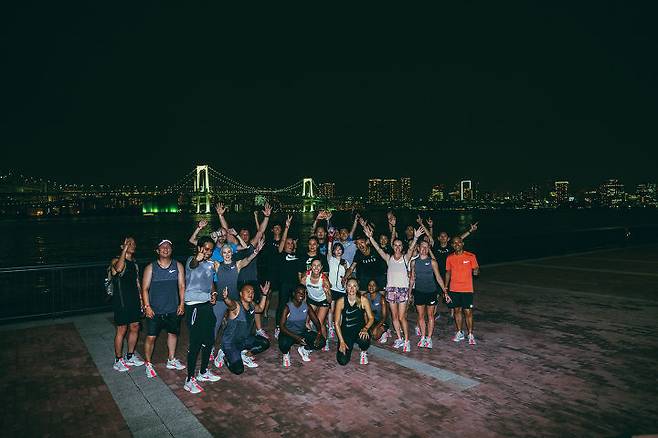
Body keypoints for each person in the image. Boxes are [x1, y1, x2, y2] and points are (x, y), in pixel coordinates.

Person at [364, 224, 422, 352]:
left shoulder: (405, 258)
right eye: (395, 245)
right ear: (393, 246)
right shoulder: (388, 258)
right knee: (394, 317)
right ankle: (400, 338)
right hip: (391, 290)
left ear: (402, 247)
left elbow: (411, 248)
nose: (397, 247)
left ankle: (407, 341)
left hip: (402, 290)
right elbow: (378, 249)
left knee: (402, 317)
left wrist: (416, 237)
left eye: (400, 245)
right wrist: (370, 237)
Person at [211, 239, 264, 368]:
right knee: (215, 325)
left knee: (238, 325)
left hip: (234, 301)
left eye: (229, 252)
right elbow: (205, 256)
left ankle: (236, 348)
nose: (227, 254)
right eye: (224, 252)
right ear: (221, 254)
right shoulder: (217, 265)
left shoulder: (237, 265)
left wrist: (256, 252)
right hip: (220, 301)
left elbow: (248, 259)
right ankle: (211, 348)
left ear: (232, 253)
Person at [141, 239, 186, 378]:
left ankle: (171, 359)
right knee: (151, 337)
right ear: (157, 251)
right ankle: (148, 363)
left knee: (173, 334)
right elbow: (144, 288)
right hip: (155, 310)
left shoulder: (178, 265)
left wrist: (182, 303)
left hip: (173, 308)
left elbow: (182, 286)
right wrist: (147, 306)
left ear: (171, 250)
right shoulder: (150, 267)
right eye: (162, 247)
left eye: (168, 247)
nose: (165, 249)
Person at [183, 236, 220, 394]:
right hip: (194, 306)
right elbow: (193, 265)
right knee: (195, 343)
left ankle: (203, 372)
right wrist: (197, 258)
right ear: (199, 248)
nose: (208, 252)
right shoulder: (191, 260)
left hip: (206, 305)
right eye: (205, 248)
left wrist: (214, 293)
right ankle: (189, 379)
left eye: (211, 249)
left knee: (209, 340)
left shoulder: (210, 264)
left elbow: (211, 282)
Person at [110, 237, 145, 372]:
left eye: (134, 243)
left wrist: (141, 300)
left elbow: (137, 282)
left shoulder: (134, 263)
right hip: (121, 301)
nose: (132, 245)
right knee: (122, 329)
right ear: (122, 246)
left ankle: (130, 356)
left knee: (135, 327)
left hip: (134, 300)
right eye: (129, 243)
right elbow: (118, 269)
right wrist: (124, 250)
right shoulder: (115, 260)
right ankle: (118, 360)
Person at [220, 282, 271, 374]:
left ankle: (245, 355)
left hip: (244, 340)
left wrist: (264, 294)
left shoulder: (252, 305)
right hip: (230, 343)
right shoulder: (237, 306)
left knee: (265, 343)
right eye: (248, 291)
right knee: (238, 370)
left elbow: (260, 309)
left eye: (252, 292)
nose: (250, 294)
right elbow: (231, 304)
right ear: (241, 293)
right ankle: (225, 356)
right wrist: (226, 298)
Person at [410, 240, 447, 349]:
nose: (424, 249)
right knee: (420, 316)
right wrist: (409, 292)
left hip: (431, 292)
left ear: (429, 248)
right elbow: (412, 278)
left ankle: (429, 338)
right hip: (419, 292)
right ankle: (423, 337)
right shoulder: (413, 262)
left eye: (426, 247)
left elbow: (438, 277)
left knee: (430, 316)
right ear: (418, 248)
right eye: (422, 247)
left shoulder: (432, 262)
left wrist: (444, 291)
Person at [278, 285, 326, 366]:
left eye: (303, 293)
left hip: (301, 332)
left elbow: (316, 321)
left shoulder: (306, 306)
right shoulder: (287, 307)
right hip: (288, 333)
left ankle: (304, 349)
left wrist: (319, 333)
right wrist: (296, 337)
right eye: (299, 293)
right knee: (283, 344)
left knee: (321, 342)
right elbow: (282, 327)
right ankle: (286, 354)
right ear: (294, 294)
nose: (301, 295)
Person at [274, 215, 305, 339]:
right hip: (284, 284)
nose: (290, 245)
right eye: (288, 243)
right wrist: (286, 227)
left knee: (296, 305)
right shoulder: (281, 254)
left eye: (292, 243)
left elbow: (301, 271)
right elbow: (282, 242)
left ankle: (294, 325)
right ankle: (278, 326)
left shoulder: (297, 255)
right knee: (282, 305)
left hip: (295, 284)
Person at [445, 236, 480, 345]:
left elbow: (476, 268)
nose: (457, 245)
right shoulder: (450, 258)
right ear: (452, 245)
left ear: (462, 243)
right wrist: (445, 287)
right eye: (454, 243)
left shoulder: (471, 256)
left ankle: (470, 334)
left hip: (467, 289)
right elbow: (448, 272)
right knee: (457, 311)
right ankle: (459, 332)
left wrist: (476, 271)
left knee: (468, 312)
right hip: (454, 289)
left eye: (459, 242)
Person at [334, 278, 374, 366]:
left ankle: (363, 351)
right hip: (346, 333)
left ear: (357, 288)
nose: (352, 288)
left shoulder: (363, 300)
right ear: (346, 287)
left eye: (354, 286)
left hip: (360, 331)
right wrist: (341, 341)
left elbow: (371, 318)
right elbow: (336, 323)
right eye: (349, 286)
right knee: (342, 361)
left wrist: (365, 329)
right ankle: (348, 345)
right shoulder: (340, 301)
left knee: (364, 340)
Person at [300, 259, 332, 351]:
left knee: (319, 322)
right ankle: (311, 339)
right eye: (314, 265)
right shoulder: (306, 275)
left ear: (321, 267)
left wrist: (327, 293)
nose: (316, 267)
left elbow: (330, 300)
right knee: (305, 321)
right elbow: (301, 290)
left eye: (318, 265)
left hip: (323, 301)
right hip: (311, 300)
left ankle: (325, 341)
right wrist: (303, 303)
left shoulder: (324, 279)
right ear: (311, 267)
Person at [326, 235, 348, 341]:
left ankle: (339, 326)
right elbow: (328, 250)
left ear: (342, 251)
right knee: (331, 309)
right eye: (336, 249)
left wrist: (345, 269)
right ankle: (330, 327)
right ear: (334, 251)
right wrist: (330, 238)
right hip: (332, 289)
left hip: (341, 290)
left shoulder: (345, 262)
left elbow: (347, 276)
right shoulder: (331, 259)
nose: (338, 251)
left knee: (340, 310)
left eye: (340, 249)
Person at [366, 279, 389, 343]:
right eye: (369, 285)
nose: (371, 287)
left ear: (377, 287)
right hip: (371, 320)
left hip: (381, 321)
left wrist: (376, 327)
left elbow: (384, 317)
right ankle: (370, 329)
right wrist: (366, 328)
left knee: (375, 336)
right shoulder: (365, 296)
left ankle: (384, 331)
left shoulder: (381, 298)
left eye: (373, 285)